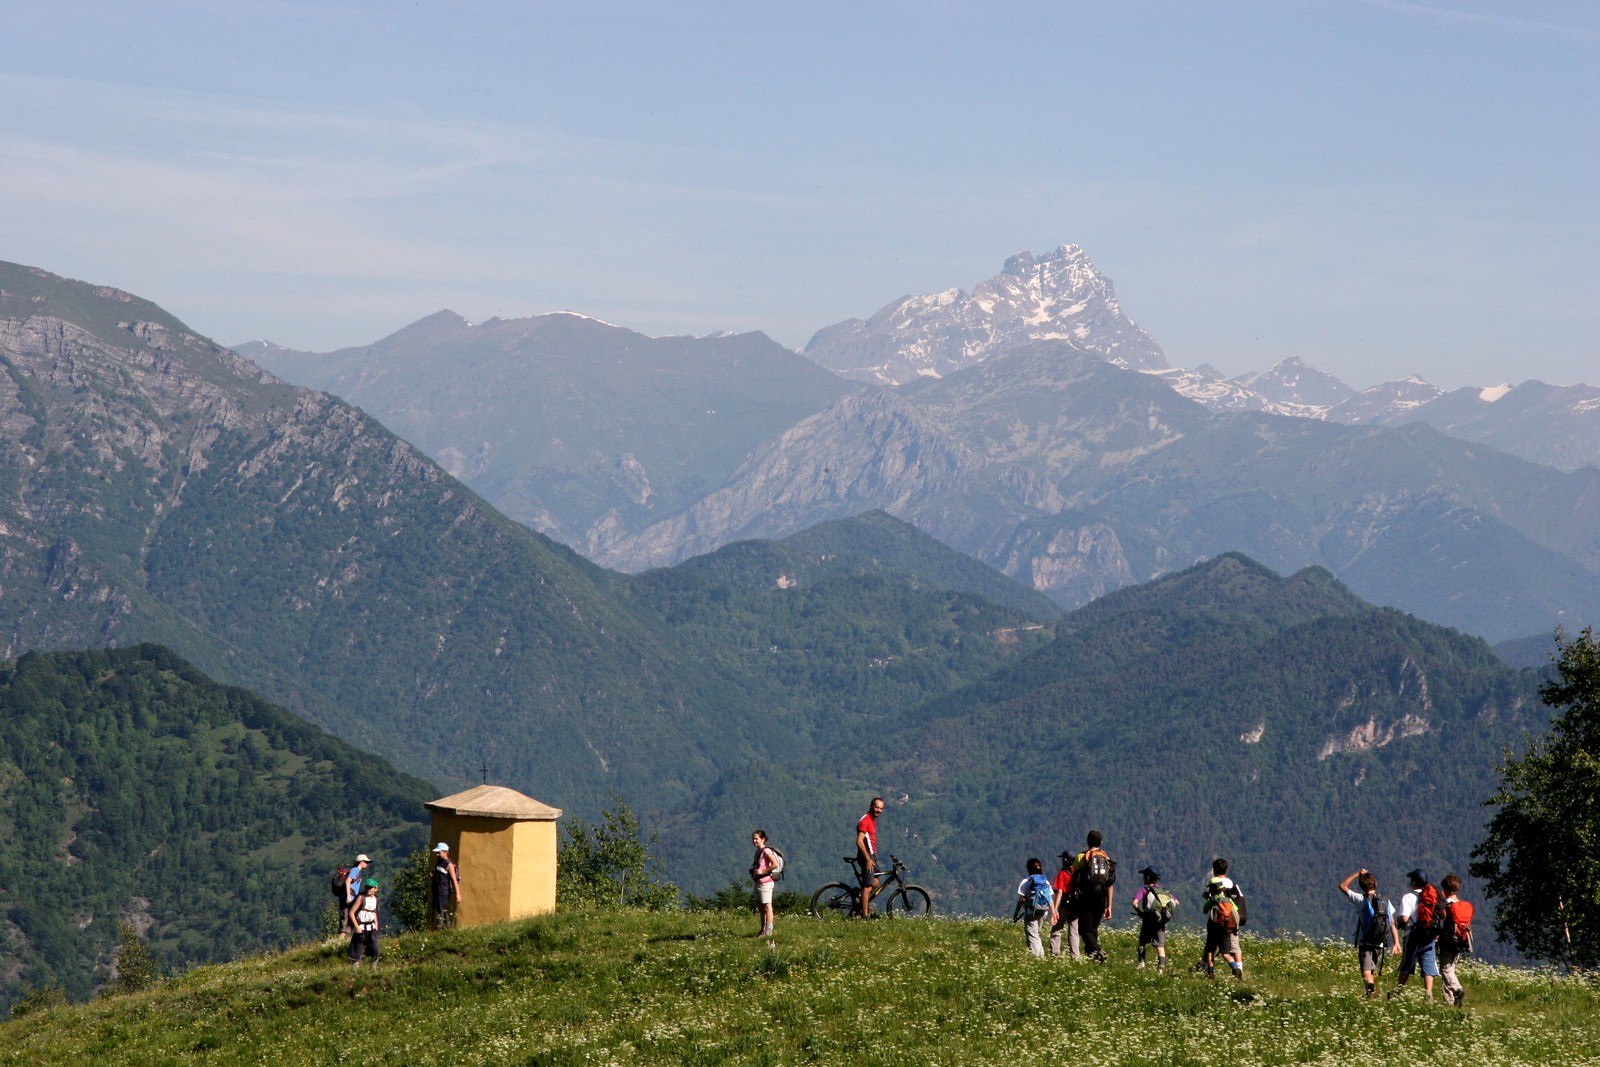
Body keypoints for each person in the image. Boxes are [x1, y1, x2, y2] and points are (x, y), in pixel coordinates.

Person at [1339, 867, 1400, 997]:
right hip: (1380, 941)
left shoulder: (1360, 899)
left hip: (1365, 940)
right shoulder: (1385, 901)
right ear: (1375, 884)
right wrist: (1396, 943)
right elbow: (1392, 923)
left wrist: (1358, 873)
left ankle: (1371, 989)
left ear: (1361, 887)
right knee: (1371, 968)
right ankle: (1371, 992)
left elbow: (1342, 886)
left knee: (1365, 969)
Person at [1391, 868, 1441, 1002]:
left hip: (1413, 934)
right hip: (1429, 935)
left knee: (1407, 963)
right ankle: (1429, 994)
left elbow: (1405, 918)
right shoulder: (1433, 897)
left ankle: (1398, 990)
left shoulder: (1408, 897)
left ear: (1413, 882)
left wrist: (1399, 921)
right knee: (1429, 964)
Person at [1069, 830, 1115, 962]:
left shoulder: (1081, 857)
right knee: (1093, 929)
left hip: (1085, 898)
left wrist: (1072, 896)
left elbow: (1074, 878)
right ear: (1101, 843)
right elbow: (1110, 884)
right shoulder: (1106, 859)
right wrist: (1109, 905)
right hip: (1101, 899)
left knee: (1084, 929)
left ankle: (1098, 950)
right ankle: (1094, 959)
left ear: (1087, 841)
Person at [1201, 858, 1246, 979]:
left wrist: (1208, 899)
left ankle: (1208, 970)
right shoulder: (1232, 884)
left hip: (1216, 922)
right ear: (1227, 869)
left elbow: (1206, 908)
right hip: (1230, 922)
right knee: (1230, 949)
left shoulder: (1213, 883)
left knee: (1210, 948)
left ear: (1214, 870)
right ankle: (1237, 968)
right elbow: (1235, 907)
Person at [1130, 866, 1178, 972]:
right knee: (1160, 946)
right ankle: (1160, 969)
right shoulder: (1163, 891)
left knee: (1142, 943)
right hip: (1160, 922)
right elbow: (1176, 902)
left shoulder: (1145, 890)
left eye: (1144, 876)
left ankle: (1141, 964)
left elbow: (1134, 903)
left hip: (1148, 920)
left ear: (1147, 877)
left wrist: (1141, 913)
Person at [1437, 873, 1473, 1006]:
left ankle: (1457, 989)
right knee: (1451, 969)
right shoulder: (1463, 906)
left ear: (1444, 890)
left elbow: (1440, 924)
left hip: (1447, 940)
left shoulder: (1445, 906)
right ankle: (1451, 1002)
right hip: (1461, 940)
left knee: (1446, 969)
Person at [1013, 857, 1055, 959]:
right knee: (1037, 934)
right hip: (1043, 911)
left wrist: (1016, 912)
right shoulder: (1045, 882)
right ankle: (1041, 956)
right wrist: (1053, 912)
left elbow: (1022, 900)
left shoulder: (1026, 881)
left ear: (1029, 870)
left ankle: (1038, 958)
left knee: (1032, 935)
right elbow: (1049, 898)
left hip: (1031, 911)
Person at [854, 797, 885, 918]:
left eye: (881, 808)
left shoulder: (871, 819)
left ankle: (861, 896)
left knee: (875, 881)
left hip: (872, 855)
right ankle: (864, 916)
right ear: (871, 806)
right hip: (866, 856)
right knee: (867, 888)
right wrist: (868, 859)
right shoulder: (866, 820)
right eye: (877, 807)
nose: (879, 810)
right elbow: (859, 841)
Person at [750, 830, 780, 938]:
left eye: (756, 838)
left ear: (763, 839)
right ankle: (763, 929)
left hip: (765, 882)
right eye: (753, 839)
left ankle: (768, 930)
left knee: (767, 906)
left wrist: (763, 871)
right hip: (759, 882)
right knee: (761, 907)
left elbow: (775, 864)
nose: (754, 841)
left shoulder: (766, 851)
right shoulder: (759, 851)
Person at [347, 877, 380, 971]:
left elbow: (375, 913)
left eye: (371, 887)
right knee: (356, 952)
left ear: (375, 889)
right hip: (361, 928)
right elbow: (351, 912)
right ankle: (354, 972)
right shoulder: (361, 898)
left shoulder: (376, 899)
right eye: (367, 887)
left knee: (376, 951)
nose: (368, 889)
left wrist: (376, 926)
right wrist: (357, 928)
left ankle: (373, 971)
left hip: (371, 927)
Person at [1049, 851, 1077, 959]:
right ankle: (1075, 956)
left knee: (1057, 928)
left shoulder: (1063, 873)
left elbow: (1060, 892)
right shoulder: (1077, 872)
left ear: (1065, 860)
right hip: (1076, 904)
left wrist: (1055, 910)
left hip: (1065, 904)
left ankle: (1055, 954)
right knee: (1073, 930)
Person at [431, 841, 462, 929]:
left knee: (440, 909)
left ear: (445, 852)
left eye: (439, 852)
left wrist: (458, 894)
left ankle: (439, 927)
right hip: (437, 889)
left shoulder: (449, 864)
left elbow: (454, 880)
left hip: (443, 891)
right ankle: (448, 926)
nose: (437, 854)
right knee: (441, 909)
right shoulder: (439, 862)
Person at [341, 854, 371, 934]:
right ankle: (339, 942)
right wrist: (348, 896)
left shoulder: (357, 871)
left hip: (352, 898)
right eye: (365, 862)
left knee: (349, 920)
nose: (367, 864)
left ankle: (345, 940)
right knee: (346, 920)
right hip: (348, 899)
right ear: (360, 862)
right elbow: (348, 881)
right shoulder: (355, 870)